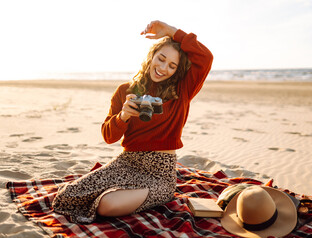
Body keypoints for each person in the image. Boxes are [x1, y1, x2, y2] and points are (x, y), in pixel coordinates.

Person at [52, 20, 213, 223]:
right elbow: (109, 136)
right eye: (161, 59)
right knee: (66, 196)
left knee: (107, 205)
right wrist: (123, 116)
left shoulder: (182, 91)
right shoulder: (125, 91)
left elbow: (206, 58)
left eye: (172, 66)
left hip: (160, 173)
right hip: (127, 162)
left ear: (177, 70)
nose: (163, 68)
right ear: (151, 56)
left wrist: (171, 32)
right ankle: (117, 190)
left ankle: (134, 193)